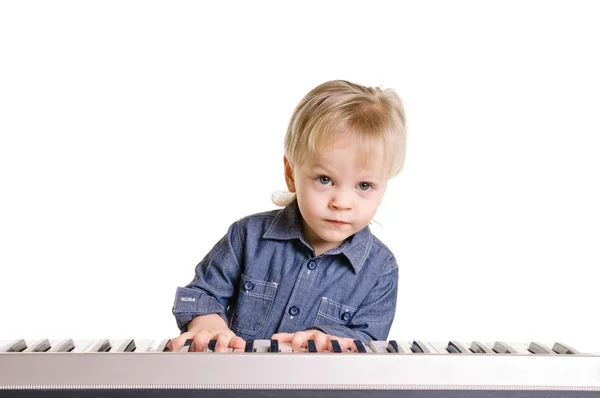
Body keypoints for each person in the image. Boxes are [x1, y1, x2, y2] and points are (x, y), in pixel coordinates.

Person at [167, 80, 407, 353]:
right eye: (325, 179)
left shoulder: (381, 269)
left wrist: (331, 340)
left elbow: (369, 339)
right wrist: (208, 324)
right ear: (291, 174)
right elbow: (202, 294)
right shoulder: (247, 237)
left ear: (383, 187)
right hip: (236, 386)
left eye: (364, 186)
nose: (341, 203)